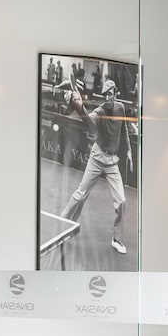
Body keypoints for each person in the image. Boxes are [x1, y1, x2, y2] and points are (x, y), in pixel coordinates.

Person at [59, 78, 133, 254]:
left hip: (112, 162)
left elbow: (124, 130)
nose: (107, 97)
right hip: (97, 158)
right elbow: (90, 124)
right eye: (105, 95)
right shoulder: (100, 111)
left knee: (121, 201)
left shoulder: (121, 108)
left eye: (110, 94)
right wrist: (80, 107)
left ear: (115, 94)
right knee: (80, 194)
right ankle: (62, 224)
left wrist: (129, 150)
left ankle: (116, 239)